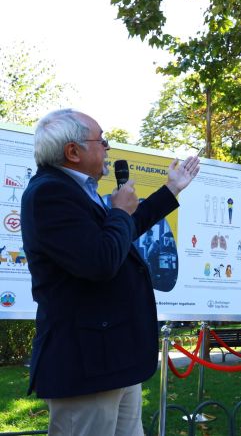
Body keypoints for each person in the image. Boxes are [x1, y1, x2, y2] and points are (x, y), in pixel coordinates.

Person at [20, 109, 200, 436]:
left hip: (111, 358)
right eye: (101, 140)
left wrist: (171, 189)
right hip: (85, 364)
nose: (107, 147)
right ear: (73, 151)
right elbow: (100, 261)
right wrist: (118, 212)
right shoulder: (49, 194)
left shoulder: (76, 190)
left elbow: (121, 235)